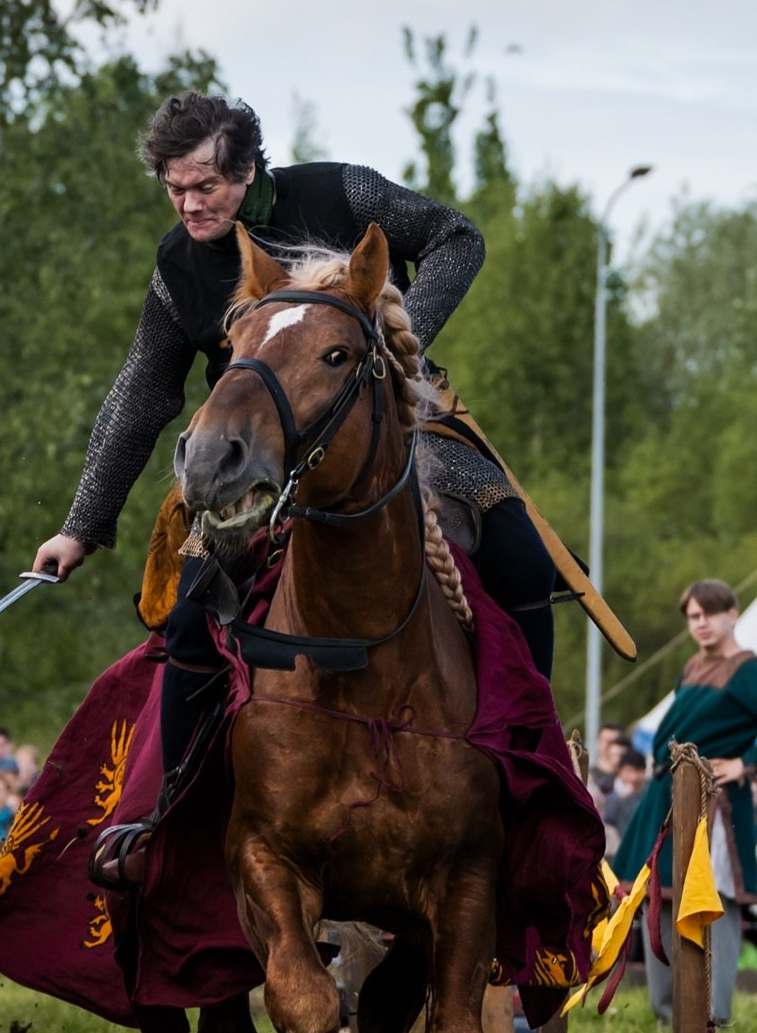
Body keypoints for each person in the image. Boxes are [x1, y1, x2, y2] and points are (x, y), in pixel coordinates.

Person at [28, 93, 561, 885]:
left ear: (248, 169)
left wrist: (395, 334)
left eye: (205, 185)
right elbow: (140, 395)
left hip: (400, 423)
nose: (189, 204)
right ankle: (177, 815)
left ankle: (529, 775)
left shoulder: (341, 193)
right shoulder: (180, 268)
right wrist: (80, 525)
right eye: (175, 189)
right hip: (254, 465)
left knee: (521, 561)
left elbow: (461, 237)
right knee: (190, 617)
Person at [615, 578, 757, 1025]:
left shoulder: (748, 670)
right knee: (659, 897)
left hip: (713, 800)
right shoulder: (692, 666)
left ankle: (712, 1016)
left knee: (715, 902)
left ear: (732, 613)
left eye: (709, 613)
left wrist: (748, 762)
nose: (701, 623)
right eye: (693, 616)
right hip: (665, 792)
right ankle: (667, 1013)